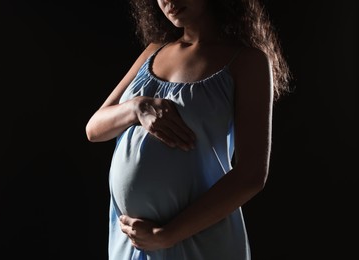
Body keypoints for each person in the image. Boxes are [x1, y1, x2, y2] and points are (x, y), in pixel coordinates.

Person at [86, 0, 291, 259]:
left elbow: (251, 175)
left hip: (196, 241)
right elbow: (94, 129)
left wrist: (166, 235)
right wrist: (137, 107)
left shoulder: (247, 62)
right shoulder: (153, 51)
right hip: (133, 241)